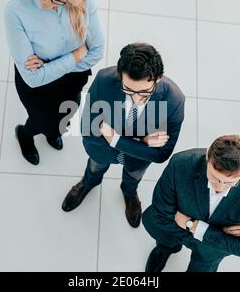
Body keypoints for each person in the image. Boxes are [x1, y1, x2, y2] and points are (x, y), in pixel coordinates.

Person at [62, 43, 185, 228]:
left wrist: (115, 138)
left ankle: (129, 194)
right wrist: (142, 142)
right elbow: (87, 128)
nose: (135, 98)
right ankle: (88, 183)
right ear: (120, 76)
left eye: (144, 92)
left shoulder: (173, 100)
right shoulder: (104, 79)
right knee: (94, 169)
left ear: (158, 78)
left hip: (136, 159)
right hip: (103, 150)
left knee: (132, 178)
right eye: (129, 90)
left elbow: (161, 155)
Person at [4, 0, 105, 165]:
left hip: (73, 79)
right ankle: (25, 135)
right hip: (39, 89)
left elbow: (96, 52)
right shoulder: (15, 10)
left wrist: (48, 68)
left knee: (66, 113)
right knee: (40, 121)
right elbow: (33, 79)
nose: (48, 5)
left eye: (59, 1)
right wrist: (75, 56)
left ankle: (52, 132)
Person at [143, 135, 240, 272]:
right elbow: (161, 213)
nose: (219, 188)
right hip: (178, 231)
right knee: (158, 228)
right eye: (214, 178)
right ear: (207, 155)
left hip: (211, 249)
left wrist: (194, 226)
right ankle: (166, 249)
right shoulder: (180, 164)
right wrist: (220, 234)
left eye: (229, 183)